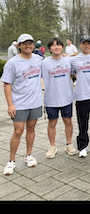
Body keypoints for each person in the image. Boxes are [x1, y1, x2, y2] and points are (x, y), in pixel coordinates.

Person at [1, 33, 43, 175]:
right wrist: (10, 104)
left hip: (35, 102)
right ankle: (11, 161)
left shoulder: (38, 59)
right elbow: (7, 84)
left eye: (30, 43)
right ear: (19, 45)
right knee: (18, 131)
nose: (28, 45)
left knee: (31, 129)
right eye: (24, 43)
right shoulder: (12, 63)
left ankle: (28, 155)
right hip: (19, 103)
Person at [41, 38, 77, 159]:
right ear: (49, 48)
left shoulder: (68, 60)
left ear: (62, 47)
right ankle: (52, 146)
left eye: (59, 45)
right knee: (52, 122)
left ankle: (69, 144)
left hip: (66, 97)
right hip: (51, 98)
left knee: (68, 121)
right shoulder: (44, 63)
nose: (56, 47)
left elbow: (83, 60)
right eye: (53, 45)